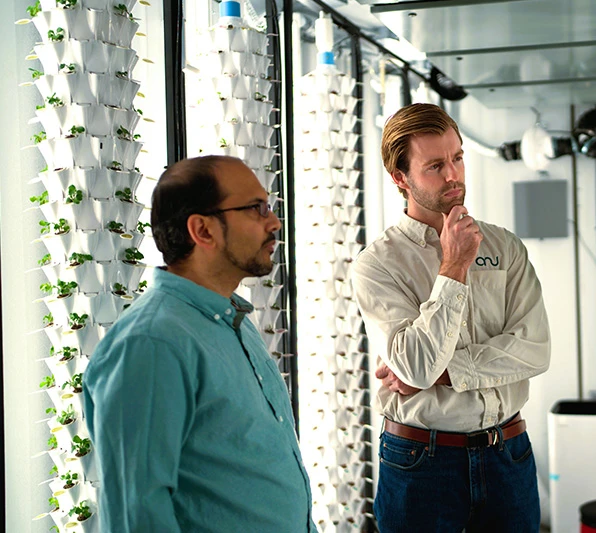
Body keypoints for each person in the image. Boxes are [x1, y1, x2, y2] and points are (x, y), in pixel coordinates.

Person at [84, 155, 317, 532]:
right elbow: (136, 517)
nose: (274, 222)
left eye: (268, 207)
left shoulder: (232, 319)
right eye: (256, 209)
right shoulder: (152, 343)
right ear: (203, 231)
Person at [351, 103, 551, 533]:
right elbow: (416, 364)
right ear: (400, 179)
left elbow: (535, 350)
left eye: (458, 158)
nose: (453, 175)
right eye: (435, 166)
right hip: (421, 462)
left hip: (508, 452)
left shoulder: (506, 247)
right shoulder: (376, 265)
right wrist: (454, 265)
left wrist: (444, 373)